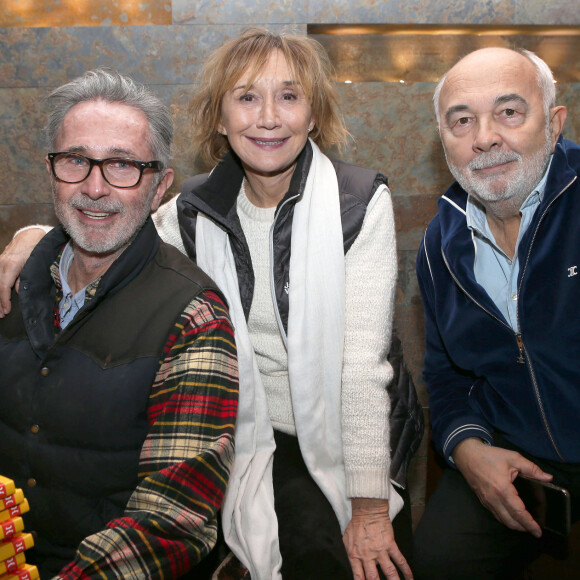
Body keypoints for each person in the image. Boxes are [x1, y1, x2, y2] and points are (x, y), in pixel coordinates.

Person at [0, 28, 423, 580]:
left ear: (313, 113)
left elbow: (362, 368)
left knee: (334, 557)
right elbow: (108, 222)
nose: (268, 117)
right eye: (247, 97)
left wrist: (368, 508)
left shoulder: (360, 202)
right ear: (220, 119)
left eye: (289, 96)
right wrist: (34, 236)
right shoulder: (191, 210)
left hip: (348, 434)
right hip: (246, 430)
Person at [0, 68, 239, 579]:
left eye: (124, 166)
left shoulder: (193, 315)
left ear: (159, 188)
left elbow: (173, 517)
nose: (94, 187)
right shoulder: (11, 285)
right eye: (75, 160)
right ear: (51, 171)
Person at [413, 46, 580, 579]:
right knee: (439, 562)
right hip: (513, 452)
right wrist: (465, 448)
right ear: (445, 143)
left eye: (509, 112)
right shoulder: (439, 247)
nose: (484, 137)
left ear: (554, 124)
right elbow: (445, 376)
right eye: (462, 120)